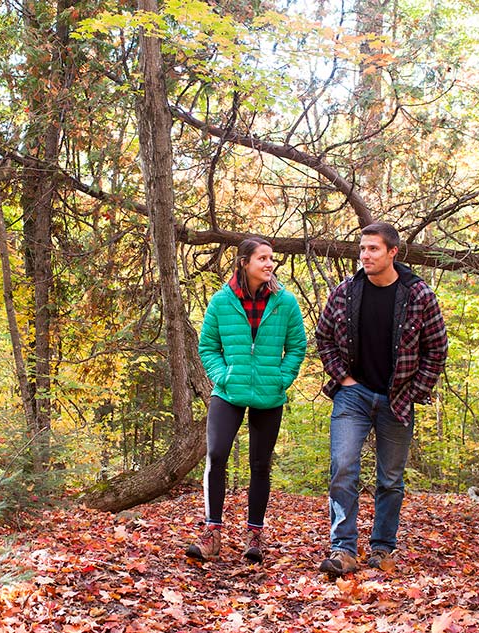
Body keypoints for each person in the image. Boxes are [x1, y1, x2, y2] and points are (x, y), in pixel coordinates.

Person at [314, 222, 447, 576]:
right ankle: (343, 549)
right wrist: (343, 377)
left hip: (398, 397)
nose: (365, 255)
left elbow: (436, 349)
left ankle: (382, 548)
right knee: (342, 467)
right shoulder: (346, 292)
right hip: (353, 395)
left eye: (373, 249)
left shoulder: (419, 295)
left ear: (393, 253)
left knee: (390, 478)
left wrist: (416, 390)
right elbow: (323, 337)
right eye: (362, 249)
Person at [187, 237, 307, 564]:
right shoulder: (221, 302)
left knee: (260, 463)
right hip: (229, 391)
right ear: (244, 262)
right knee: (216, 453)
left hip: (269, 394)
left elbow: (297, 346)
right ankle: (212, 533)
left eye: (272, 259)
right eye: (262, 259)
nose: (269, 264)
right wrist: (223, 376)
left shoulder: (285, 302)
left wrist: (282, 378)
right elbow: (207, 347)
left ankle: (254, 534)